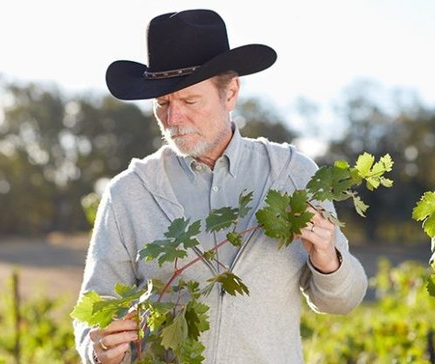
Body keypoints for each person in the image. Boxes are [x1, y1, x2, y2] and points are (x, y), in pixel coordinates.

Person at [73, 8, 368, 364]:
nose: (173, 119)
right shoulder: (128, 195)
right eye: (163, 103)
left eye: (189, 101)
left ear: (230, 94)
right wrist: (98, 348)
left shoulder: (293, 174)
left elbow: (343, 300)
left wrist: (328, 259)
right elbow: (96, 312)